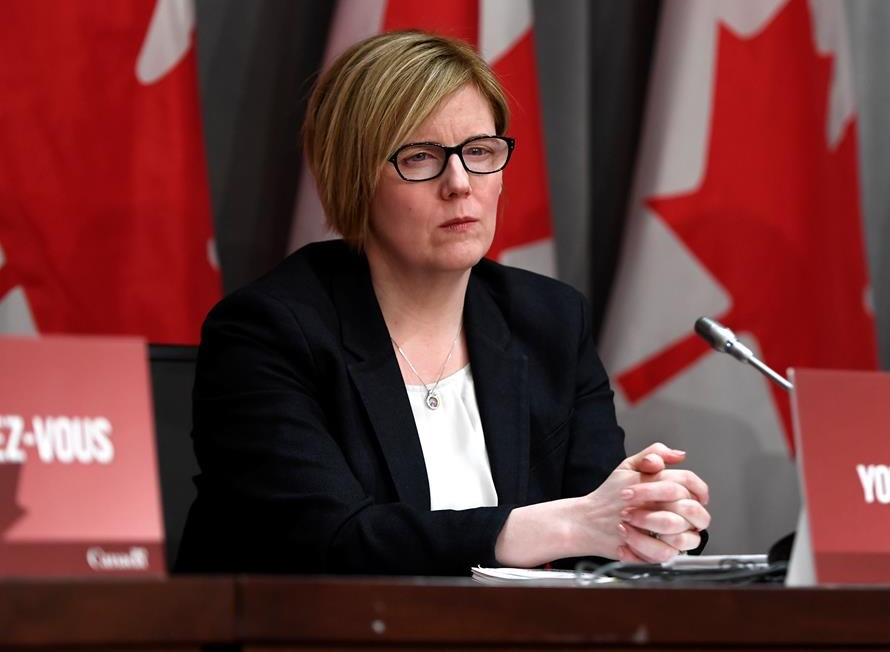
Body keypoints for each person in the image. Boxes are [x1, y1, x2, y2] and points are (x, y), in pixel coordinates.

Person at [176, 30, 709, 575]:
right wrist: (557, 526)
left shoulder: (547, 321)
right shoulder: (268, 332)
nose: (460, 183)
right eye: (421, 157)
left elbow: (595, 527)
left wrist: (649, 517)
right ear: (354, 177)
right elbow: (330, 540)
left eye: (479, 152)